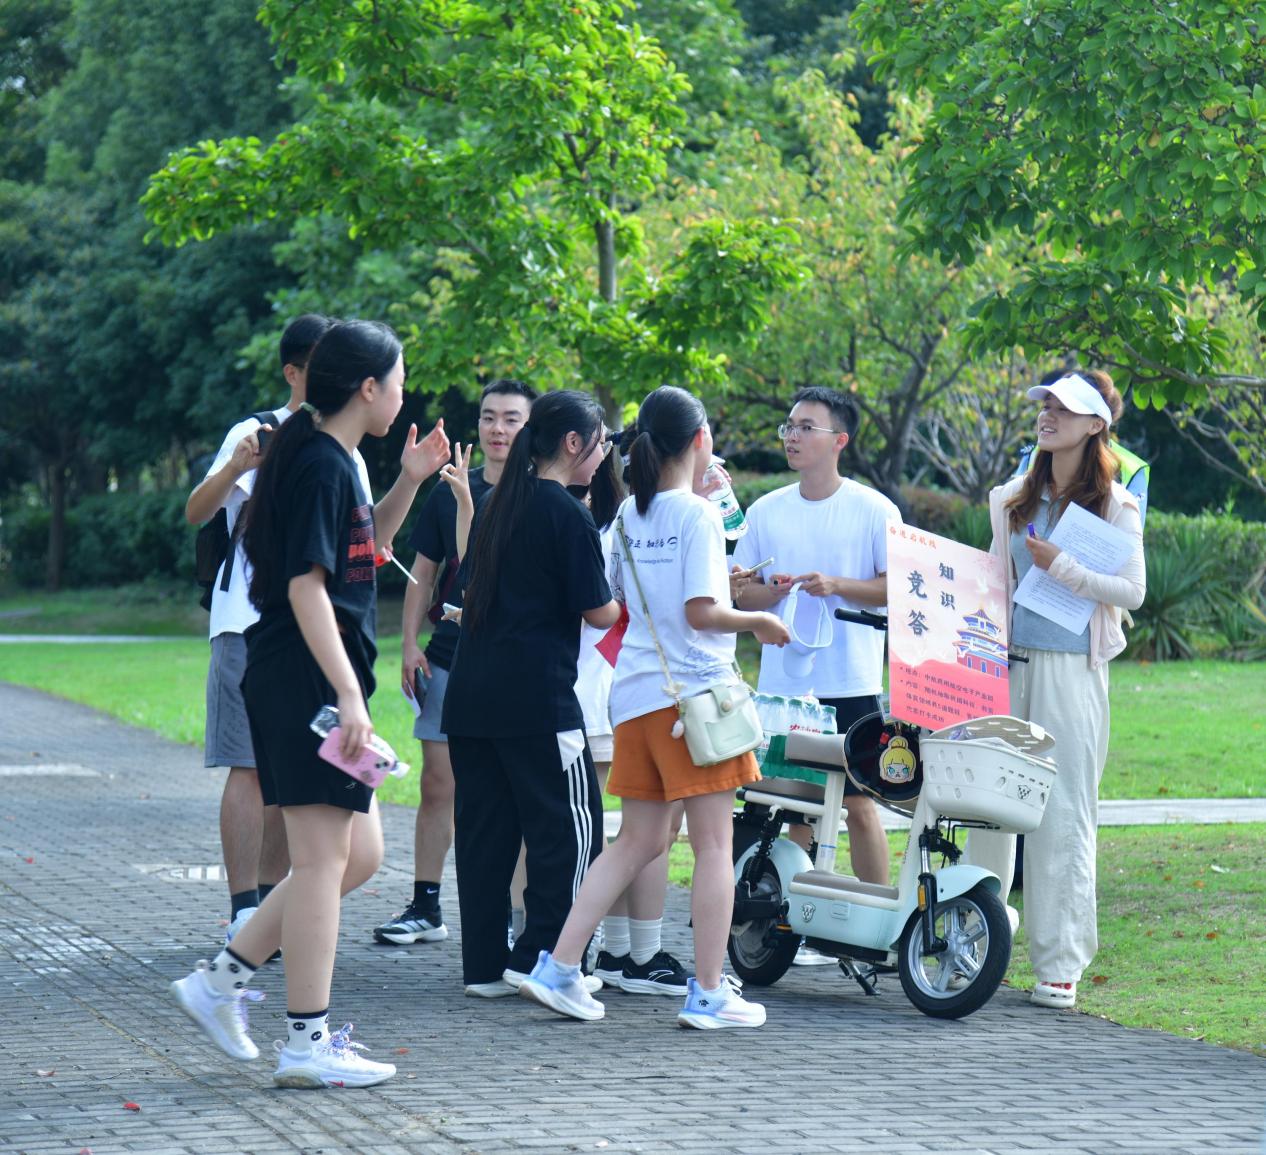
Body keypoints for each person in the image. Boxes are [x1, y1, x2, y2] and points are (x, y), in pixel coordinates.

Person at [169, 320, 450, 1088]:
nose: (404, 395)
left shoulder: (333, 458)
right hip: (306, 682)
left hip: (309, 678)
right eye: (399, 382)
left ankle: (220, 981)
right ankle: (306, 1041)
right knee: (324, 860)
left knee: (360, 853)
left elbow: (363, 552)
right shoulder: (320, 462)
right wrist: (350, 695)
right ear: (368, 387)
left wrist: (412, 478)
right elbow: (305, 588)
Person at [519, 385, 790, 1029]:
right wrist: (758, 620)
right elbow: (700, 613)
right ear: (698, 440)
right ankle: (709, 992)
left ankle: (559, 965)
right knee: (714, 845)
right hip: (694, 700)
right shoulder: (697, 515)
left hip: (636, 698)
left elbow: (621, 604)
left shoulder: (626, 518)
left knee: (634, 842)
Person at [965, 368, 1145, 1011]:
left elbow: (1133, 592)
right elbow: (992, 580)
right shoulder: (1012, 497)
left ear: (1095, 425)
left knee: (1064, 813)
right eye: (1044, 406)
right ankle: (973, 946)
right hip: (1006, 666)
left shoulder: (1115, 505)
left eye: (1063, 410)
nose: (1048, 416)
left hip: (1072, 674)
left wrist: (1062, 567)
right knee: (987, 805)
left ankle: (1060, 965)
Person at [441, 390, 622, 998]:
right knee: (569, 834)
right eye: (600, 443)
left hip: (472, 697)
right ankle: (545, 959)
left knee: (484, 837)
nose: (604, 454)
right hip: (538, 702)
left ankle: (485, 967)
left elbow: (471, 587)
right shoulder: (566, 513)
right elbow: (599, 611)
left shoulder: (496, 502)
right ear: (573, 443)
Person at [185, 314, 348, 941]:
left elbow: (369, 542)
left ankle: (273, 908)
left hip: (317, 631)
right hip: (246, 623)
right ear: (293, 372)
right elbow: (197, 510)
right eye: (323, 364)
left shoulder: (345, 446)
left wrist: (412, 480)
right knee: (248, 765)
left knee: (293, 772)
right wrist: (235, 468)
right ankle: (242, 911)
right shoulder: (255, 433)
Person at [373, 378, 536, 946]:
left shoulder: (540, 494)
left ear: (530, 428)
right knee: (438, 784)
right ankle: (425, 905)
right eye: (489, 417)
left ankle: (514, 916)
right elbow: (424, 572)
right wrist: (409, 643)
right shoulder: (448, 488)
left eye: (511, 419)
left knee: (511, 793)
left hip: (512, 664)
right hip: (447, 656)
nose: (498, 429)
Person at [733, 387, 899, 906]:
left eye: (807, 427)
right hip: (783, 686)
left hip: (850, 680)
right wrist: (772, 592)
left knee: (859, 803)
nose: (793, 436)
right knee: (794, 803)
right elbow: (741, 593)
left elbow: (898, 586)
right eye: (789, 426)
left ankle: (879, 918)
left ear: (839, 440)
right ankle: (793, 916)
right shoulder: (765, 511)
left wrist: (837, 585)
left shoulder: (873, 509)